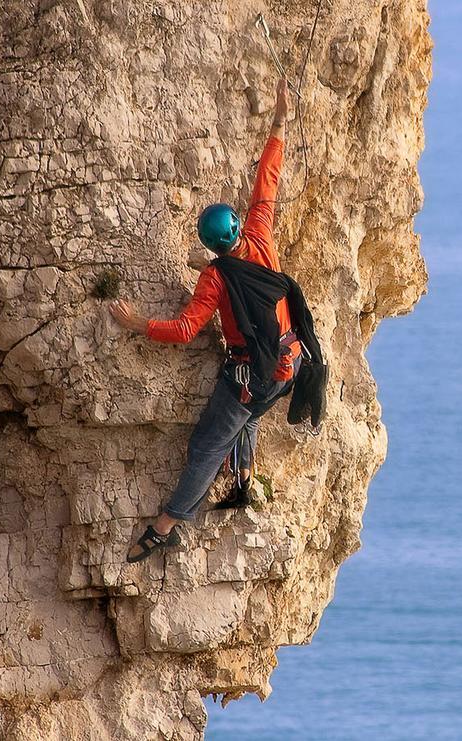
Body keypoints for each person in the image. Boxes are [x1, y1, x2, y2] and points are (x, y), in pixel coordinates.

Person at [109, 81, 304, 562]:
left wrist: (137, 324)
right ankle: (245, 479)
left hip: (252, 377)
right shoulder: (260, 237)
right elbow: (268, 181)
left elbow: (184, 330)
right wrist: (279, 121)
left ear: (211, 246)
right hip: (292, 362)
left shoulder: (215, 280)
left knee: (205, 447)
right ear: (238, 227)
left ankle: (165, 525)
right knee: (250, 416)